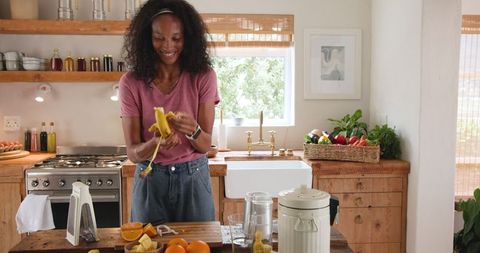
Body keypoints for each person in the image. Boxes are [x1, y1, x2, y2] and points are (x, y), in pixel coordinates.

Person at [119, 0, 219, 224]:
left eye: (176, 38)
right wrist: (154, 144)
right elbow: (133, 153)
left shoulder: (204, 76)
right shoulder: (131, 83)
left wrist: (193, 130)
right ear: (146, 38)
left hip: (194, 178)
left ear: (188, 37)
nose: (167, 46)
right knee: (147, 247)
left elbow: (205, 144)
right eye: (158, 38)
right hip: (150, 179)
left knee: (199, 246)